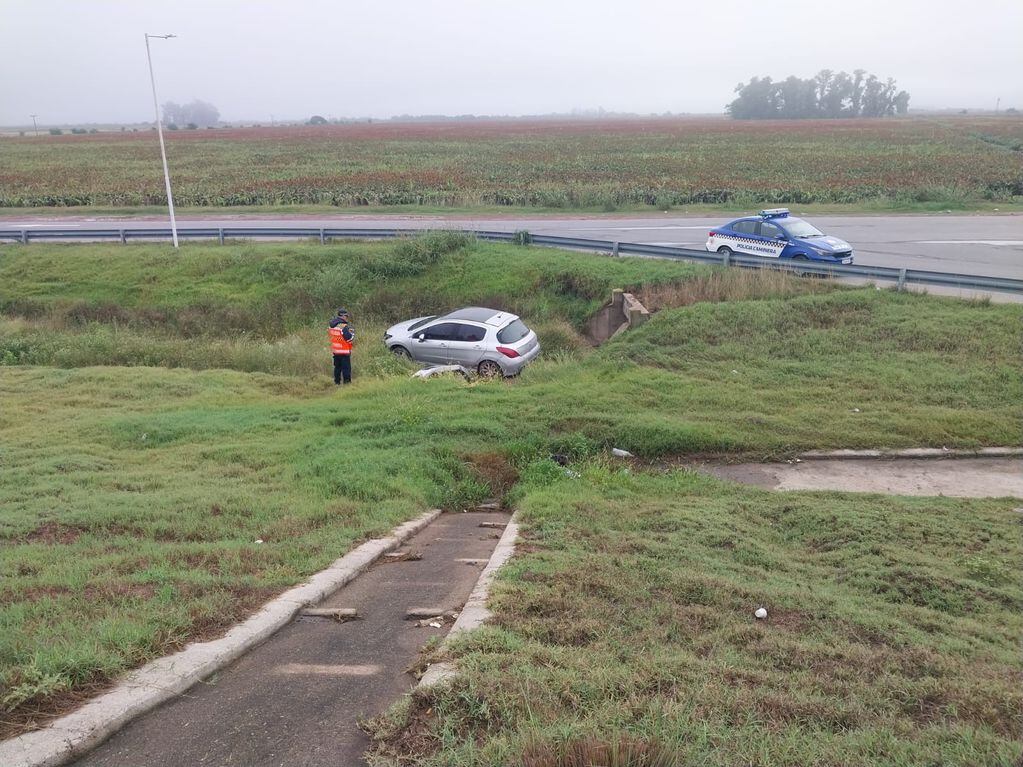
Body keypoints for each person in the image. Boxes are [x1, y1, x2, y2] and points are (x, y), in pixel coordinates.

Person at [328, 308, 355, 385]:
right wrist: (352, 334)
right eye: (346, 316)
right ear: (342, 316)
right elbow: (349, 338)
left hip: (336, 351)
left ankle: (337, 383)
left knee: (337, 368)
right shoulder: (343, 326)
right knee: (346, 369)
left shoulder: (331, 325)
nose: (347, 318)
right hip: (344, 351)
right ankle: (347, 384)